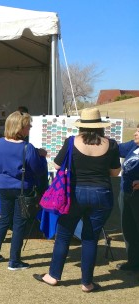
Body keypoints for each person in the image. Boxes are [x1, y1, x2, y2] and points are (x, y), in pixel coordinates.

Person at [33, 108, 121, 292]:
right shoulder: (111, 144)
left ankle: (53, 276)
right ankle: (87, 283)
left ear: (81, 125)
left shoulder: (72, 142)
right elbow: (115, 172)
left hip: (74, 193)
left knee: (64, 235)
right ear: (100, 127)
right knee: (90, 238)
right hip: (102, 194)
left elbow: (57, 165)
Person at [0, 111, 47, 270]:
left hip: (3, 186)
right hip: (22, 188)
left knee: (4, 219)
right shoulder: (28, 148)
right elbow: (39, 170)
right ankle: (14, 261)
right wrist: (41, 156)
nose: (30, 128)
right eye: (28, 126)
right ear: (20, 128)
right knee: (19, 223)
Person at [116, 124, 139, 272]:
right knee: (128, 227)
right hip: (126, 192)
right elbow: (115, 149)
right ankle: (133, 261)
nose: (135, 133)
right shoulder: (132, 145)